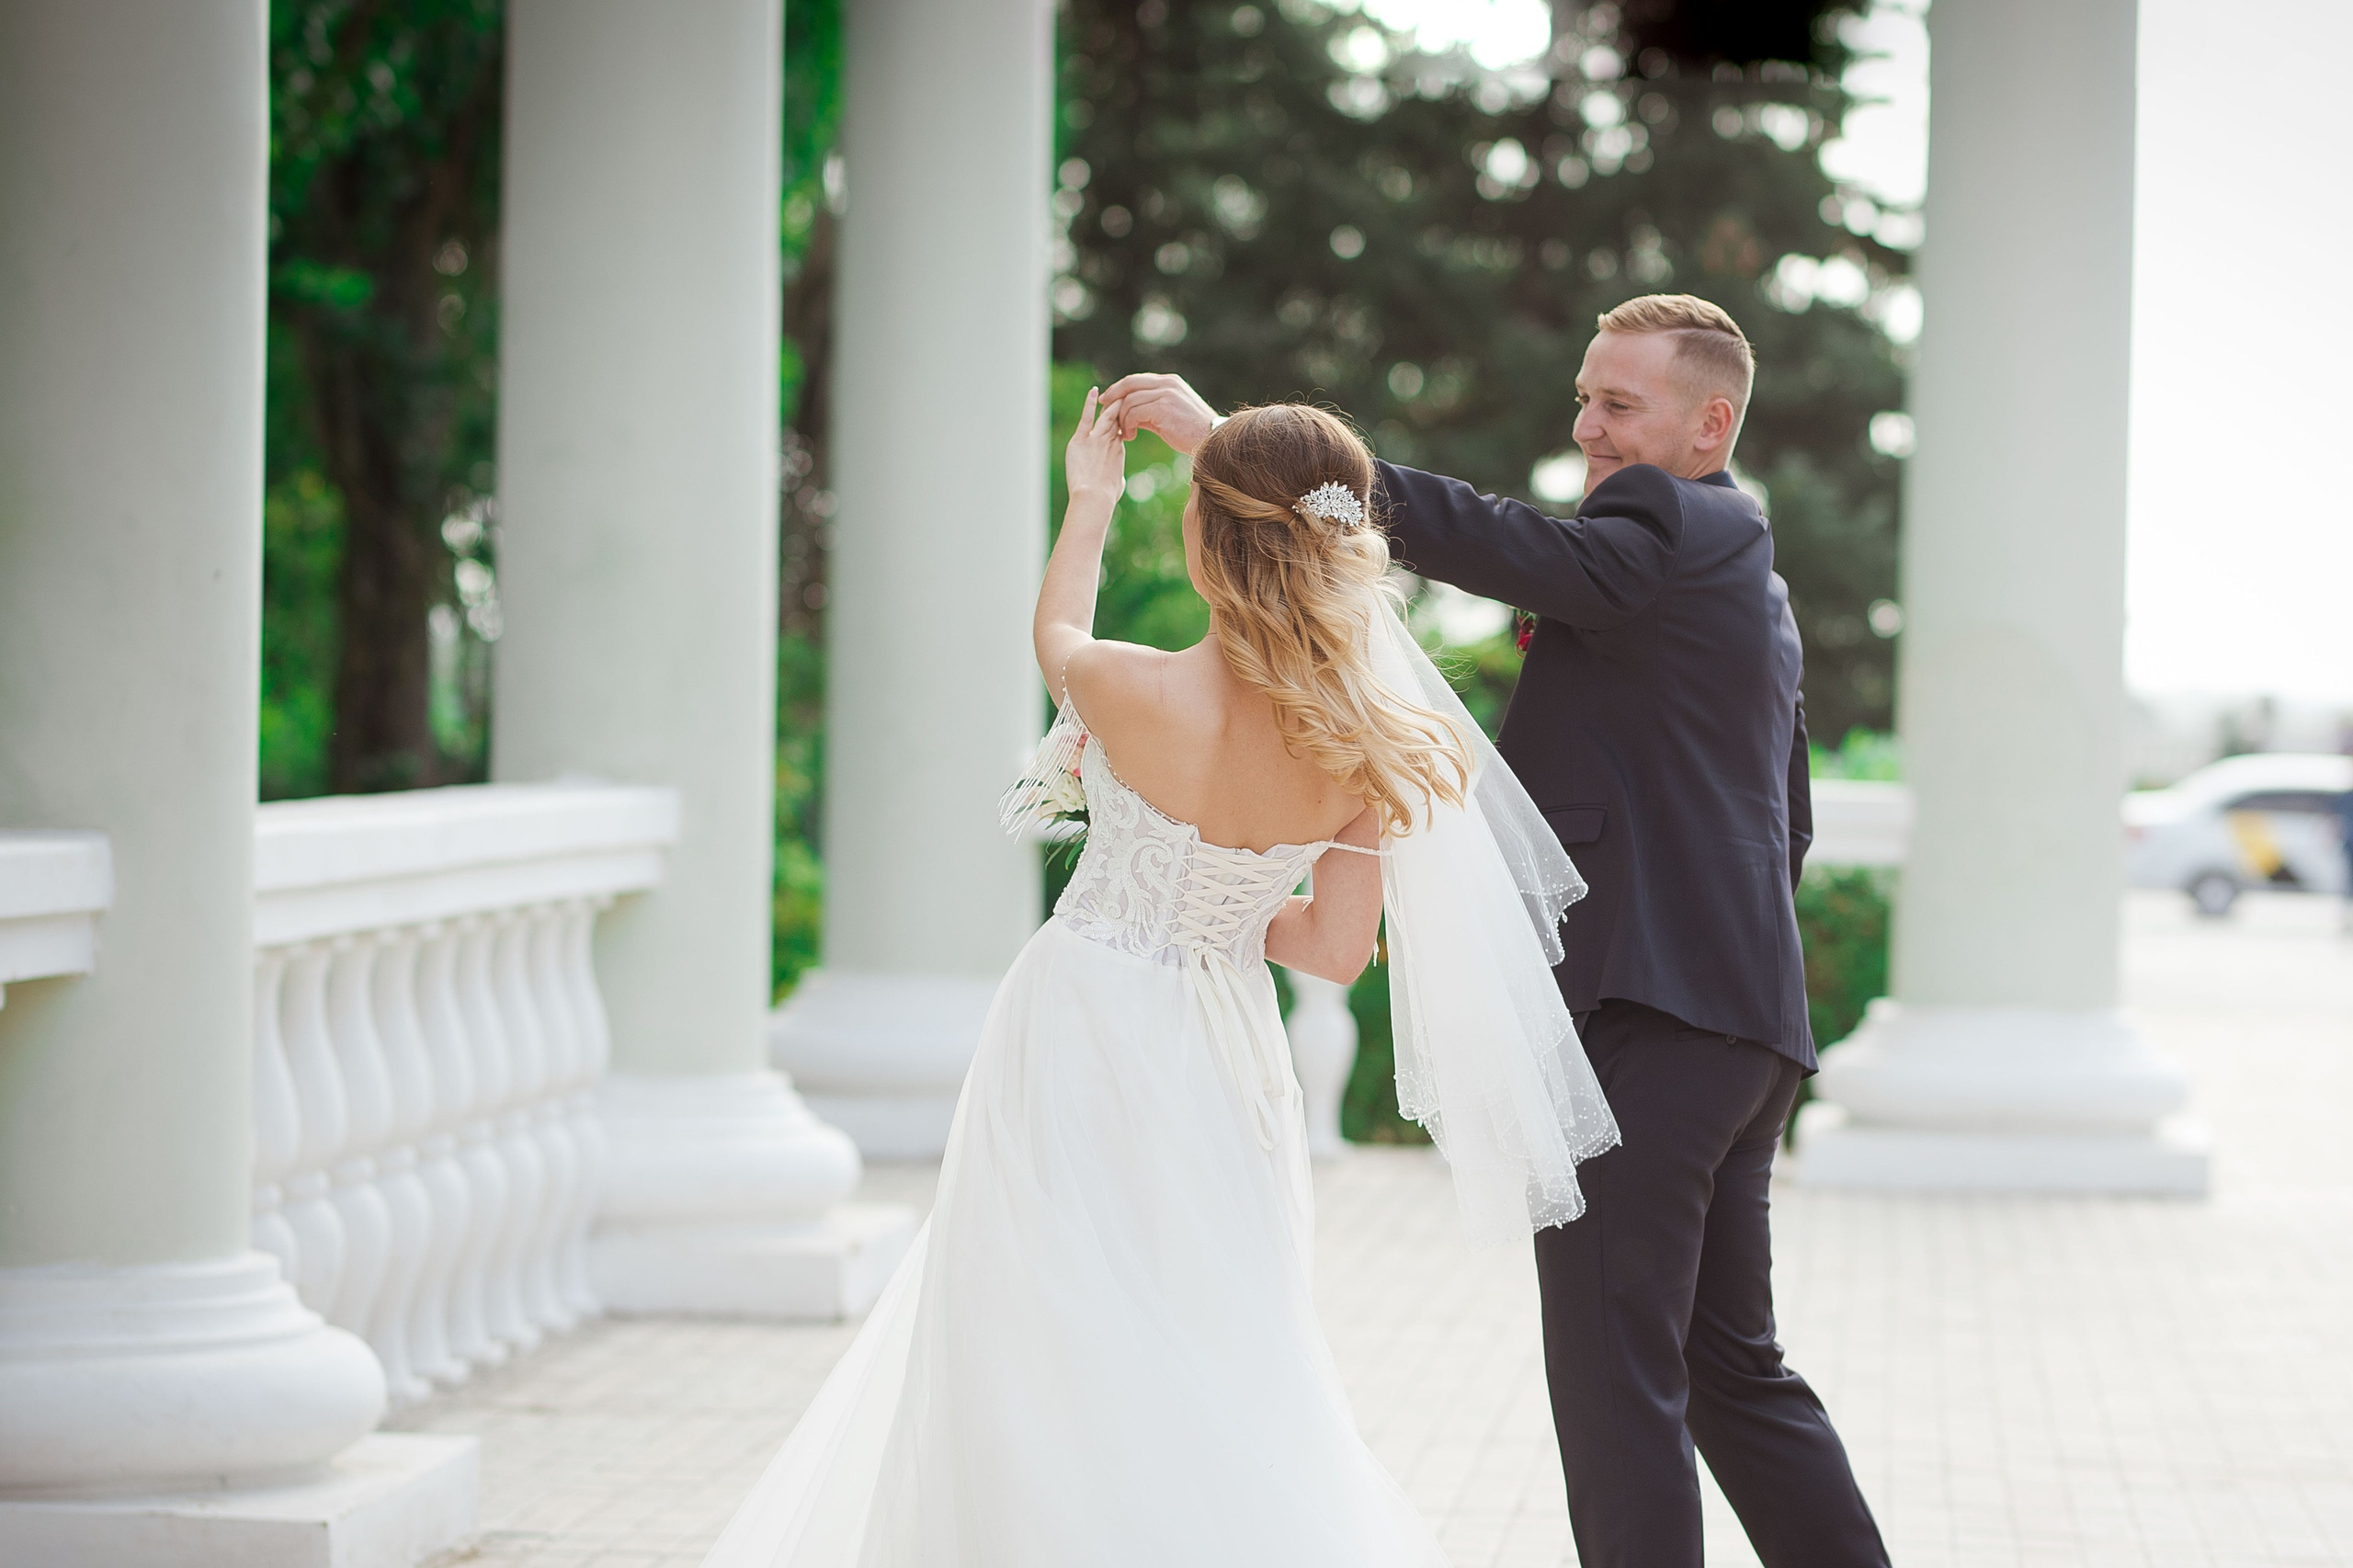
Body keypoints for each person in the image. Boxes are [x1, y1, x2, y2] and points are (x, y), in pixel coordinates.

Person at [700, 395, 1618, 1566]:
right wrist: (1231, 908)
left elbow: (1056, 631)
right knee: (1217, 1317)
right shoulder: (1374, 746)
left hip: (1077, 1015)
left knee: (1030, 1313)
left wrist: (1089, 497)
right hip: (1223, 1042)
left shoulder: (1123, 688)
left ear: (1203, 540)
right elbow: (1334, 952)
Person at [1108, 293, 1889, 1568]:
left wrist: (1250, 451)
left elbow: (1505, 542)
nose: (1587, 427)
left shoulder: (1664, 518)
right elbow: (1783, 822)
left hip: (1648, 1020)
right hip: (1740, 1026)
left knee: (1615, 1376)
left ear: (1712, 423)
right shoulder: (1755, 575)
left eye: (1617, 404)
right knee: (1731, 1368)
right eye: (1583, 397)